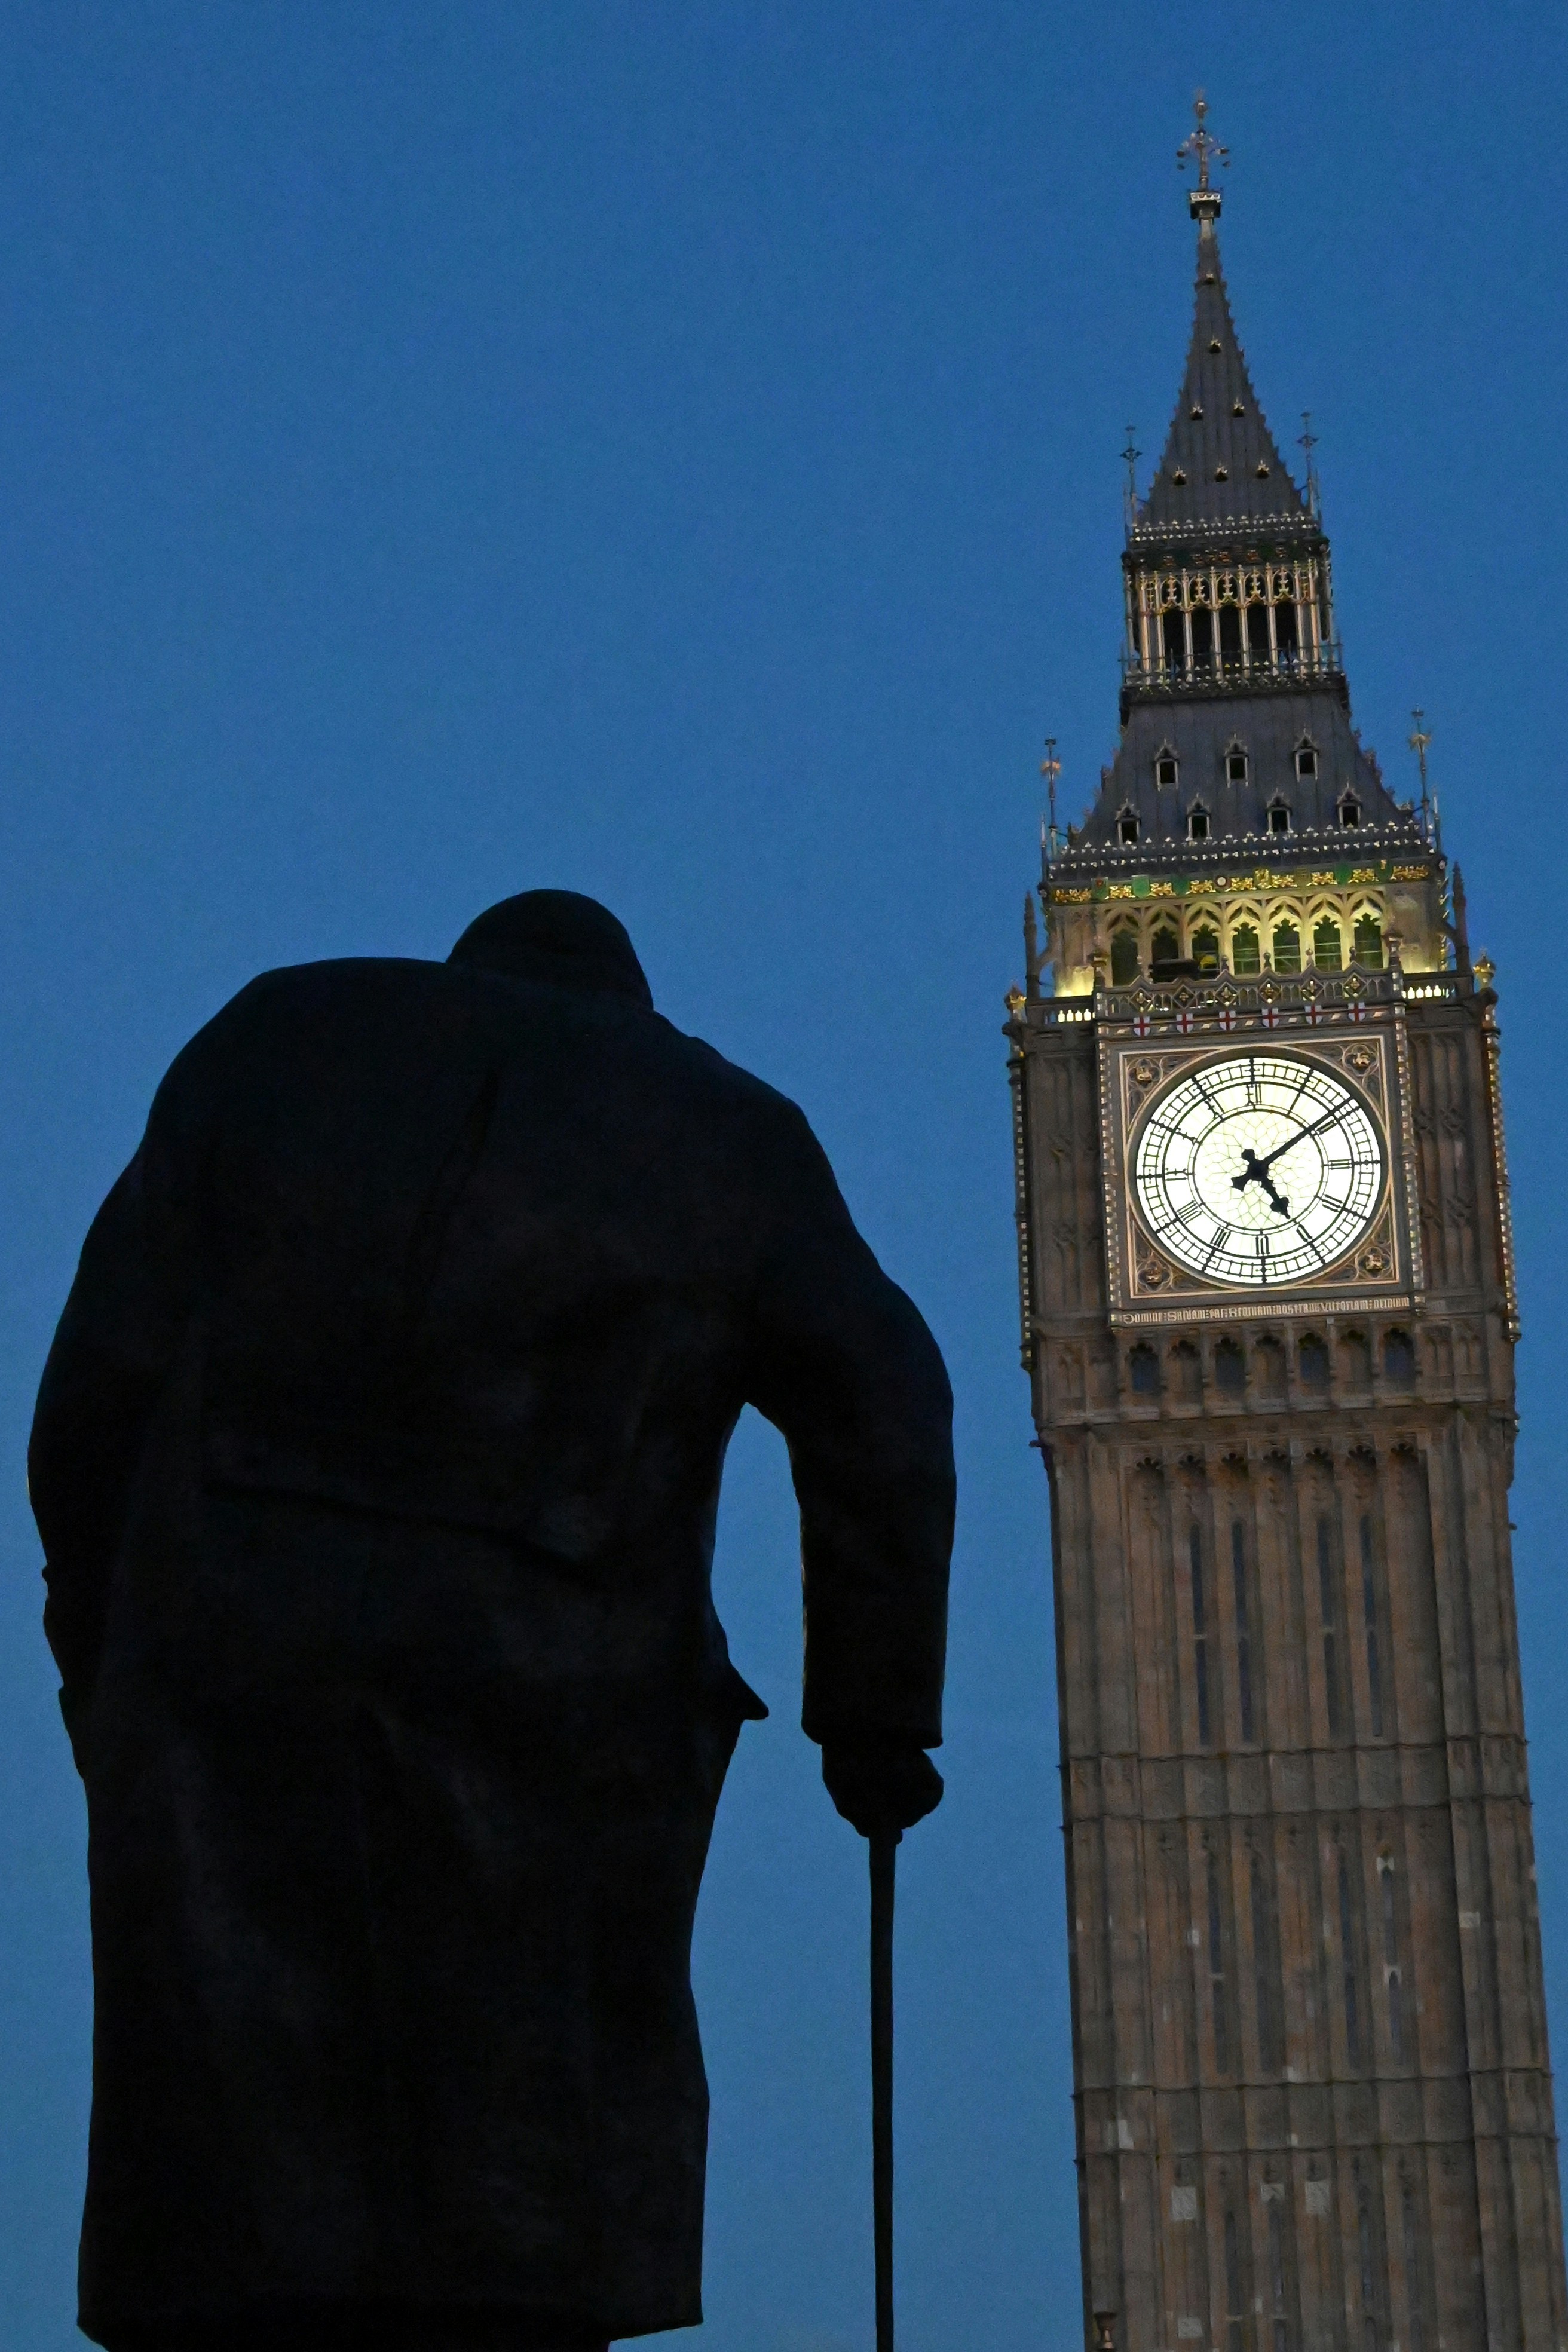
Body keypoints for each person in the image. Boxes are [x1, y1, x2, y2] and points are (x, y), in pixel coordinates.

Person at [30, 890, 954, 2352]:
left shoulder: (270, 1037)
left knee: (233, 2190)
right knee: (517, 2215)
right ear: (633, 1007)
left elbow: (90, 1394)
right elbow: (886, 1409)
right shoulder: (724, 1128)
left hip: (224, 1697)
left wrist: (97, 1659)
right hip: (548, 1713)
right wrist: (877, 1723)